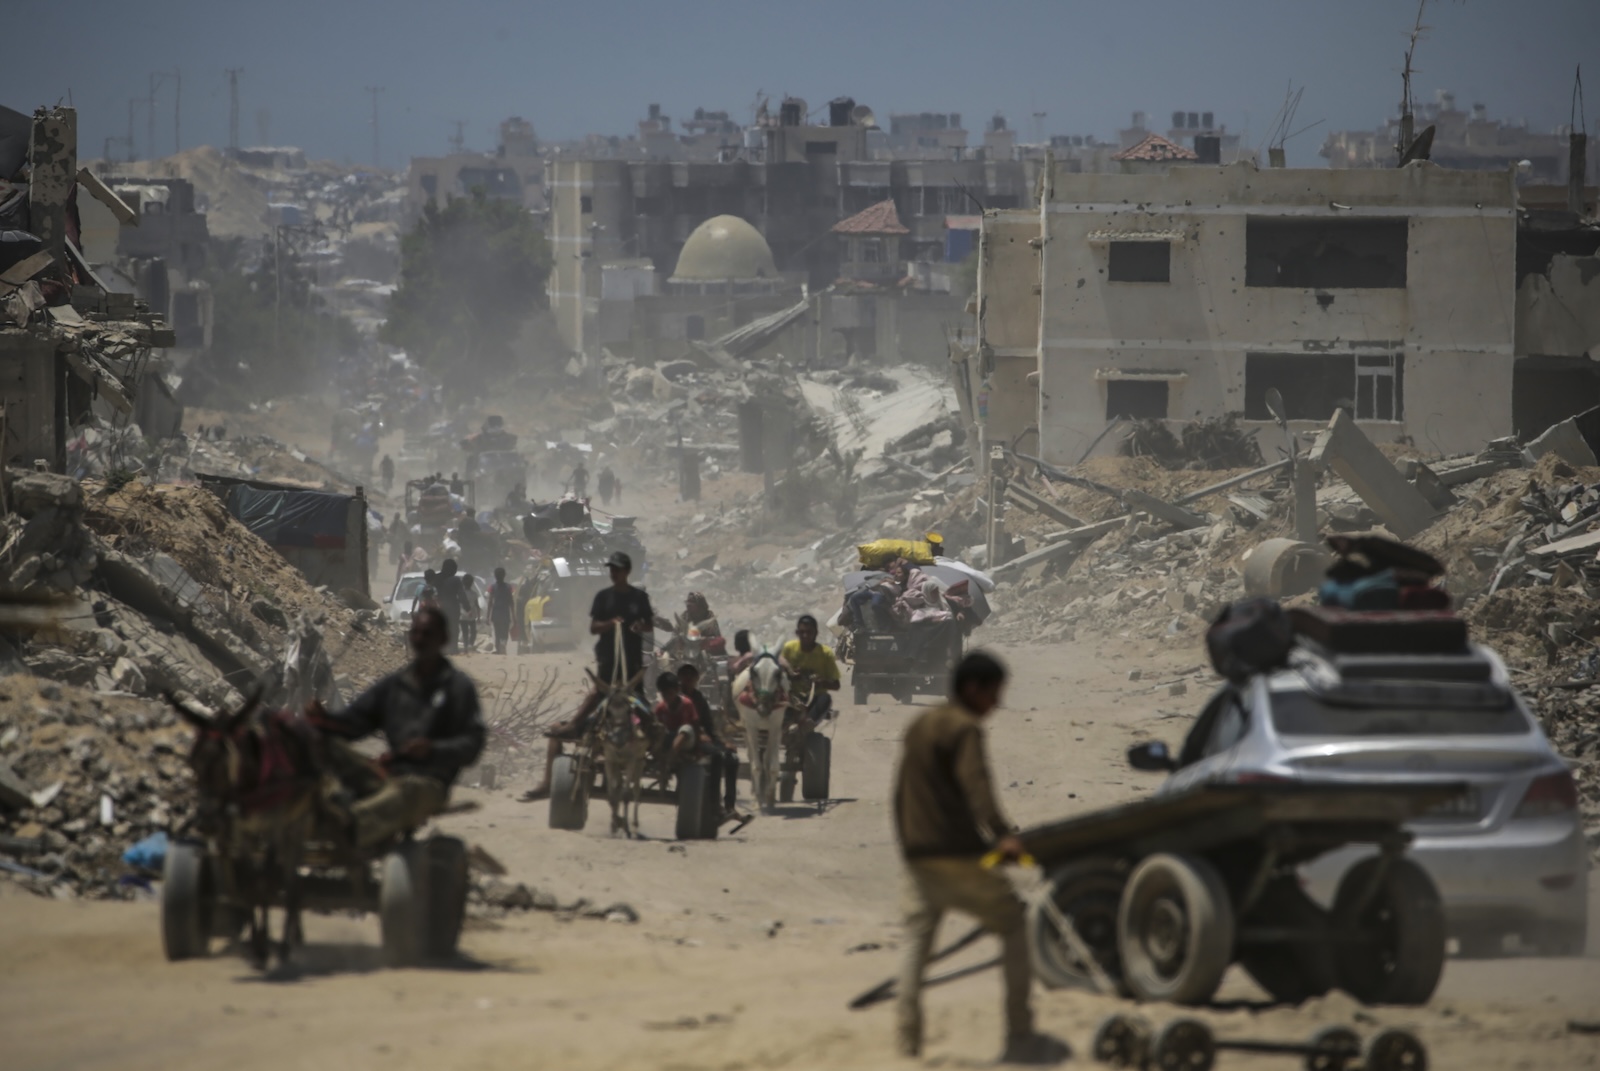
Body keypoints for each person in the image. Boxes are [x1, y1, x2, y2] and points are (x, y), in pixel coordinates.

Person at [893, 652, 1055, 1064]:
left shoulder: (922, 724)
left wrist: (910, 845)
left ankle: (906, 1044)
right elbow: (977, 787)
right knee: (1015, 923)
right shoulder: (965, 729)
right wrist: (1003, 836)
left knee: (916, 943)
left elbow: (900, 792)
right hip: (958, 855)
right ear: (973, 689)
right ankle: (1020, 1034)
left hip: (919, 854)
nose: (997, 704)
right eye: (995, 693)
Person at [314, 607, 485, 848]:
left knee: (408, 789)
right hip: (389, 772)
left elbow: (473, 743)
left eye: (427, 634)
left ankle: (347, 827)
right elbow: (355, 723)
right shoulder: (394, 685)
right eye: (415, 633)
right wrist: (325, 722)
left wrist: (433, 750)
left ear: (443, 639)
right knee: (324, 747)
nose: (419, 639)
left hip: (429, 782)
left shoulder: (457, 687)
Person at [525, 551, 656, 799]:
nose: (613, 573)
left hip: (631, 662)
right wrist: (611, 624)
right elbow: (594, 627)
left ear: (626, 571)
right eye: (611, 569)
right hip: (608, 661)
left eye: (617, 569)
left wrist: (638, 626)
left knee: (638, 700)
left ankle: (654, 733)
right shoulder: (603, 597)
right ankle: (550, 776)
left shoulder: (639, 598)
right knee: (598, 695)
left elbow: (649, 624)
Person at [676, 663, 743, 823]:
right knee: (717, 758)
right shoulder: (676, 698)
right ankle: (714, 804)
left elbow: (709, 726)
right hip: (686, 742)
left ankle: (729, 805)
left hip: (703, 739)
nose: (689, 679)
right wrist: (699, 735)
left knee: (732, 759)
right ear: (679, 679)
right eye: (685, 676)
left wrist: (723, 742)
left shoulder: (699, 698)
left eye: (692, 676)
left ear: (697, 679)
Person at [778, 614, 840, 732]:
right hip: (791, 697)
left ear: (816, 633)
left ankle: (806, 726)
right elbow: (780, 662)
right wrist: (790, 671)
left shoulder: (825, 653)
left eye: (809, 632)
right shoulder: (790, 648)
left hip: (813, 700)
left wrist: (821, 683)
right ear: (797, 633)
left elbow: (836, 685)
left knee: (825, 698)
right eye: (802, 632)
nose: (805, 636)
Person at [487, 566, 516, 655]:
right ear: (504, 576)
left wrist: (487, 616)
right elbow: (511, 602)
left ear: (495, 576)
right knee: (504, 631)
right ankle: (503, 644)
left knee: (497, 632)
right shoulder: (508, 587)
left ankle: (498, 649)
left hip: (496, 613)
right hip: (505, 613)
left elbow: (490, 602)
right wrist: (514, 616)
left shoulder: (492, 587)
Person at [458, 573, 481, 651]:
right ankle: (470, 644)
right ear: (472, 583)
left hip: (462, 615)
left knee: (465, 632)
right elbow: (477, 606)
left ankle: (466, 646)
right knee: (473, 631)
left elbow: (458, 604)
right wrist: (478, 617)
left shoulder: (460, 594)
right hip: (471, 616)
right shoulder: (474, 594)